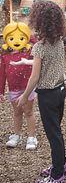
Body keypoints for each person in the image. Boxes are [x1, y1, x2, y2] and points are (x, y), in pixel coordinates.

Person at [17, 0, 66, 183]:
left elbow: (35, 77)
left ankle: (57, 175)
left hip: (47, 95)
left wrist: (24, 96)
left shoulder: (39, 47)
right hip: (61, 91)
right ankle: (61, 165)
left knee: (53, 134)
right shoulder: (59, 41)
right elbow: (50, 65)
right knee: (57, 131)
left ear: (39, 22)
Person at [0, 22, 37, 150]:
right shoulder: (5, 55)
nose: (16, 41)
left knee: (28, 112)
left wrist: (26, 31)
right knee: (16, 113)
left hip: (27, 87)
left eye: (21, 37)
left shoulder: (29, 51)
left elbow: (36, 41)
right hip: (13, 89)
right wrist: (1, 91)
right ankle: (16, 135)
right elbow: (2, 74)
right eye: (12, 38)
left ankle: (32, 137)